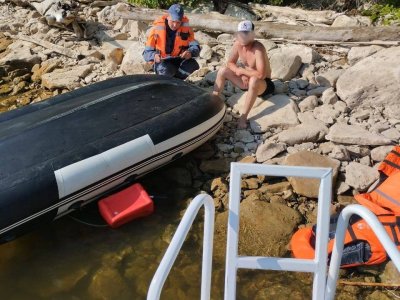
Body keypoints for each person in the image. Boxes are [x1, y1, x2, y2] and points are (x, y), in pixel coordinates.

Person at [213, 20, 274, 129]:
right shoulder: (238, 44)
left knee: (254, 80)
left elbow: (261, 75)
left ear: (252, 35)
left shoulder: (258, 48)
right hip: (246, 82)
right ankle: (213, 101)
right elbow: (230, 63)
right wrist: (240, 72)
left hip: (263, 85)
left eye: (246, 34)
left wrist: (242, 72)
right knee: (222, 70)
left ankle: (243, 117)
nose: (242, 36)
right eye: (241, 33)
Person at [143, 4, 201, 80]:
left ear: (181, 20)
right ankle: (166, 84)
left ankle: (177, 81)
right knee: (165, 69)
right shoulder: (156, 29)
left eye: (178, 22)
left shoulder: (187, 30)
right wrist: (154, 56)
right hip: (162, 62)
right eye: (172, 21)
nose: (175, 25)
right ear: (168, 17)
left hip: (178, 60)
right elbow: (146, 53)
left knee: (192, 64)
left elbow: (196, 47)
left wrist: (190, 52)